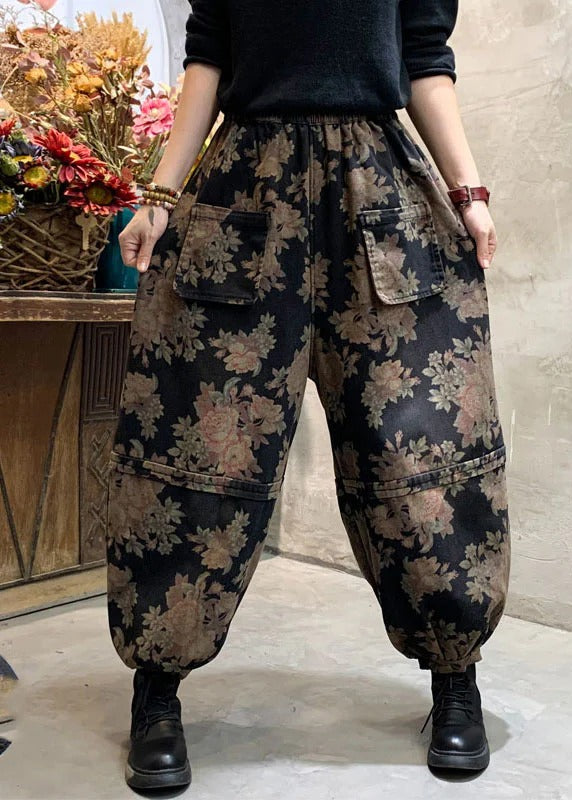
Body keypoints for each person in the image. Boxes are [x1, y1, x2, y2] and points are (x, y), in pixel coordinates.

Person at [108, 0, 511, 790]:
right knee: (197, 444)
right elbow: (208, 63)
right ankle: (157, 684)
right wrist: (157, 196)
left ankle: (453, 673)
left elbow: (425, 59)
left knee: (423, 449)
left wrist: (469, 193)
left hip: (382, 193)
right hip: (241, 194)